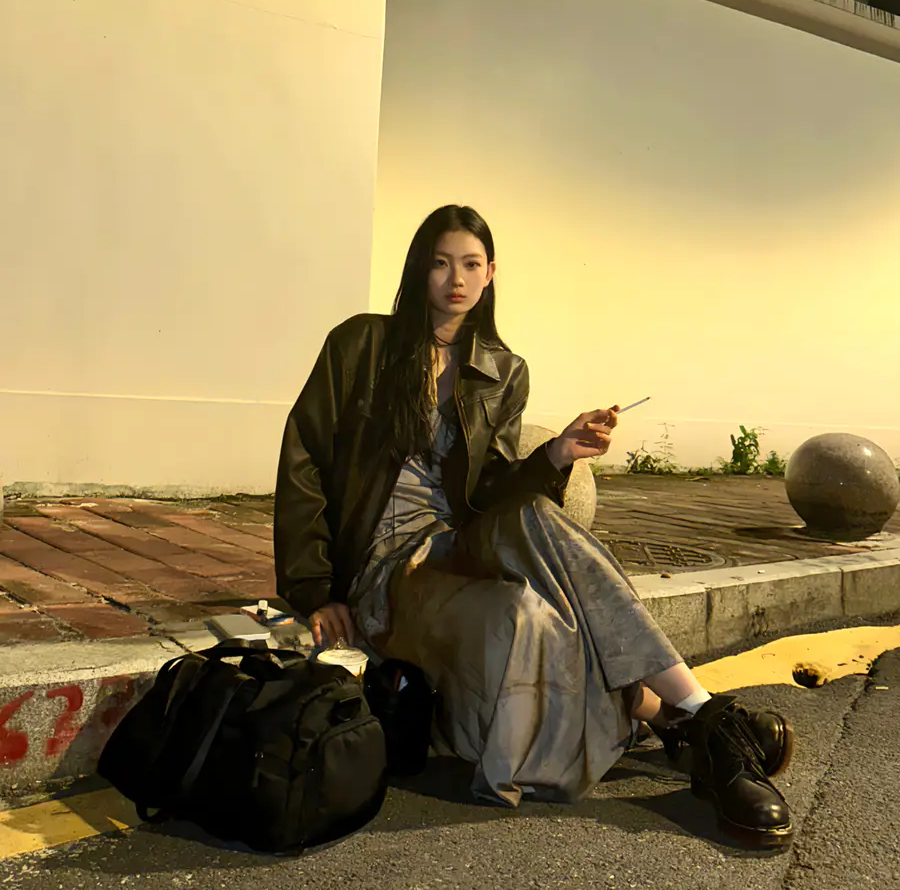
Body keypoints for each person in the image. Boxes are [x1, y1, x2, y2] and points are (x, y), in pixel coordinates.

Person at [274, 205, 794, 850]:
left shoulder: (503, 370)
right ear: (418, 269)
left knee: (538, 514)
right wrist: (315, 588)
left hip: (458, 540)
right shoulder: (361, 344)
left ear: (490, 274)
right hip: (388, 564)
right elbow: (303, 458)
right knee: (534, 617)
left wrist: (556, 454)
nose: (456, 280)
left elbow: (491, 493)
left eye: (470, 265)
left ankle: (701, 719)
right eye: (441, 263)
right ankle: (692, 718)